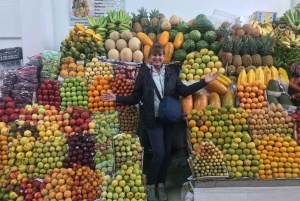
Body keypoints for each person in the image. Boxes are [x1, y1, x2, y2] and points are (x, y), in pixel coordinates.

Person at [101, 43, 219, 201]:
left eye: (160, 55)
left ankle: (161, 185)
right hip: (152, 120)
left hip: (169, 119)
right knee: (159, 154)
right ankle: (151, 185)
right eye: (154, 55)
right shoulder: (143, 74)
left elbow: (183, 90)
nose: (157, 58)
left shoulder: (171, 73)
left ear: (164, 57)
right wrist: (117, 98)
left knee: (167, 155)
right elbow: (136, 97)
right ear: (150, 57)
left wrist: (204, 81)